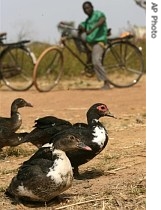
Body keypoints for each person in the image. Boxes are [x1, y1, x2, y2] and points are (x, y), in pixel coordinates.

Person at [78, 1, 111, 89]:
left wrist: (92, 29)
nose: (86, 10)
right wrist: (81, 27)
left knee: (96, 61)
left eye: (88, 8)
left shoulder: (98, 14)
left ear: (92, 7)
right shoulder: (87, 21)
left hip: (99, 42)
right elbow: (83, 26)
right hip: (91, 43)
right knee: (76, 35)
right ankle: (86, 52)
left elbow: (102, 20)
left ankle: (106, 83)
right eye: (84, 9)